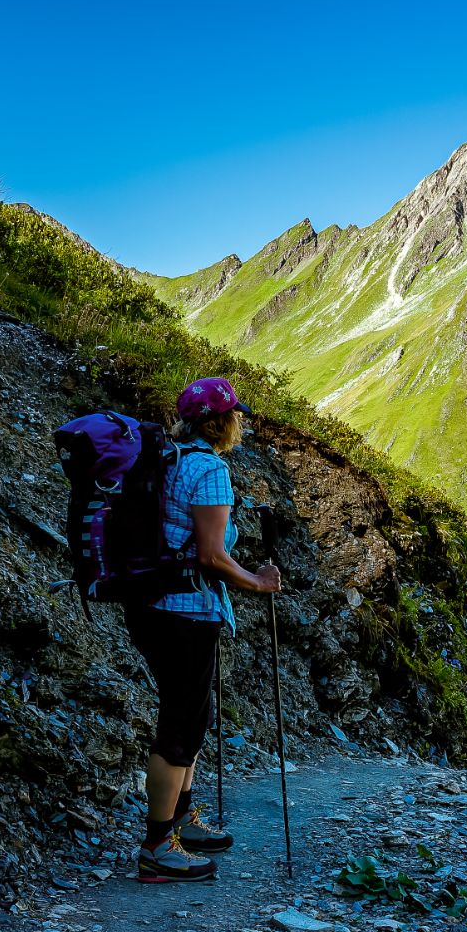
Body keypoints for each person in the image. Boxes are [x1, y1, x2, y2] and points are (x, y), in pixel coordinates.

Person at [127, 377, 281, 882]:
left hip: (149, 604)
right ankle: (158, 847)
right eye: (235, 415)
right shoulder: (210, 468)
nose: (239, 423)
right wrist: (257, 582)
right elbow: (211, 556)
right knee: (180, 724)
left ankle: (181, 820)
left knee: (192, 715)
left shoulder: (164, 458)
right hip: (186, 611)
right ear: (221, 423)